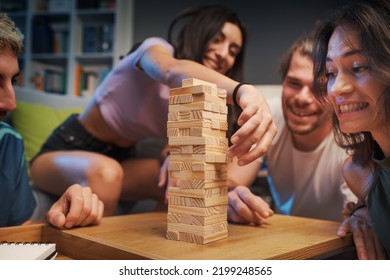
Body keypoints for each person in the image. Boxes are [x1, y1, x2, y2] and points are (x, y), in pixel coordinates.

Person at [29, 5, 277, 216]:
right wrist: (244, 91)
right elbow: (171, 70)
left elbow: (175, 146)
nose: (223, 54)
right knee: (106, 173)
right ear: (199, 32)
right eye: (217, 39)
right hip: (68, 147)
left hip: (122, 156)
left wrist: (172, 157)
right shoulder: (156, 50)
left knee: (182, 181)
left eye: (233, 51)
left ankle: (162, 256)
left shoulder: (199, 98)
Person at [227, 32, 357, 225]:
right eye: (294, 83)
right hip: (285, 235)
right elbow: (232, 180)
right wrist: (233, 197)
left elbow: (356, 217)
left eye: (318, 88)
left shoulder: (353, 137)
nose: (302, 98)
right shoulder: (271, 115)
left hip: (338, 245)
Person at [0, 13, 104, 228]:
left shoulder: (8, 142)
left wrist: (57, 219)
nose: (11, 104)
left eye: (14, 81)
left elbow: (17, 233)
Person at [312, 0, 389, 259]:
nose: (335, 90)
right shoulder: (359, 173)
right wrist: (362, 210)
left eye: (358, 68)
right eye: (331, 73)